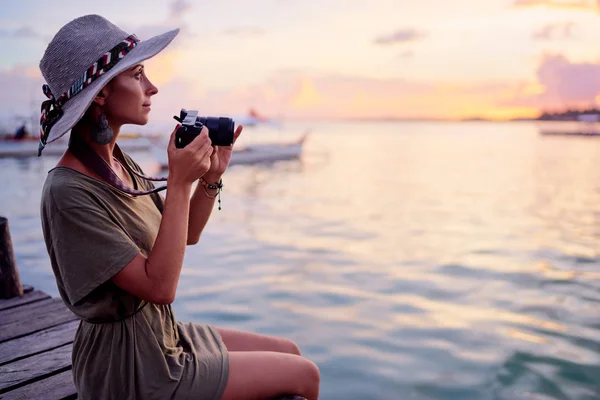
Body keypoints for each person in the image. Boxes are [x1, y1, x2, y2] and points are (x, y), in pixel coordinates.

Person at [38, 15, 320, 400]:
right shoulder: (68, 191)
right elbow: (160, 286)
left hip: (161, 335)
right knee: (306, 375)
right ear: (101, 93)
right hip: (129, 367)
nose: (152, 87)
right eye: (137, 74)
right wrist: (180, 180)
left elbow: (185, 235)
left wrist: (210, 176)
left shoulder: (120, 163)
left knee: (289, 351)